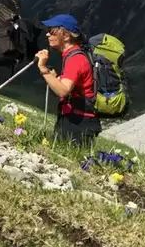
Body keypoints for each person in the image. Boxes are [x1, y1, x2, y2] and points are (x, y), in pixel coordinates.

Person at [36, 14, 102, 147]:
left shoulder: (75, 59)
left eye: (52, 31)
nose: (48, 35)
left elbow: (63, 91)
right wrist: (55, 78)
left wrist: (43, 69)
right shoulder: (73, 55)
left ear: (66, 36)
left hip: (78, 122)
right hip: (78, 119)